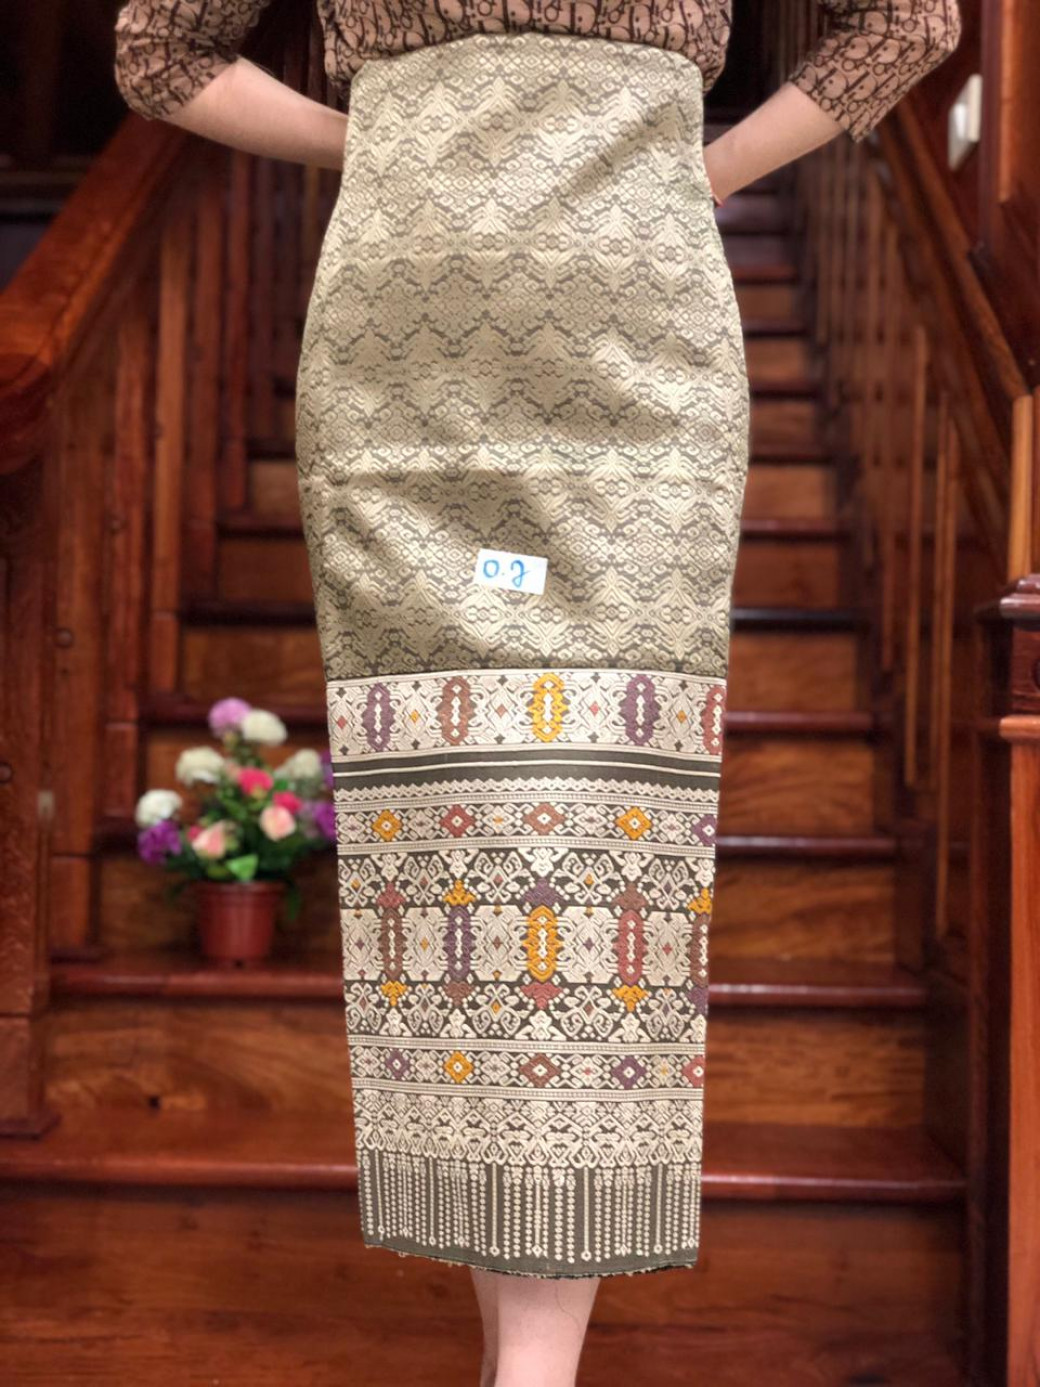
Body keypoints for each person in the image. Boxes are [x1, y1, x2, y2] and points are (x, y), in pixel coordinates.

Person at [112, 4, 962, 1384]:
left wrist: (700, 168)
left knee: (599, 835)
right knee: (448, 835)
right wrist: (385, 142)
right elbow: (157, 52)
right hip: (407, 379)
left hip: (636, 375)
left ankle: (533, 1371)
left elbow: (910, 20)